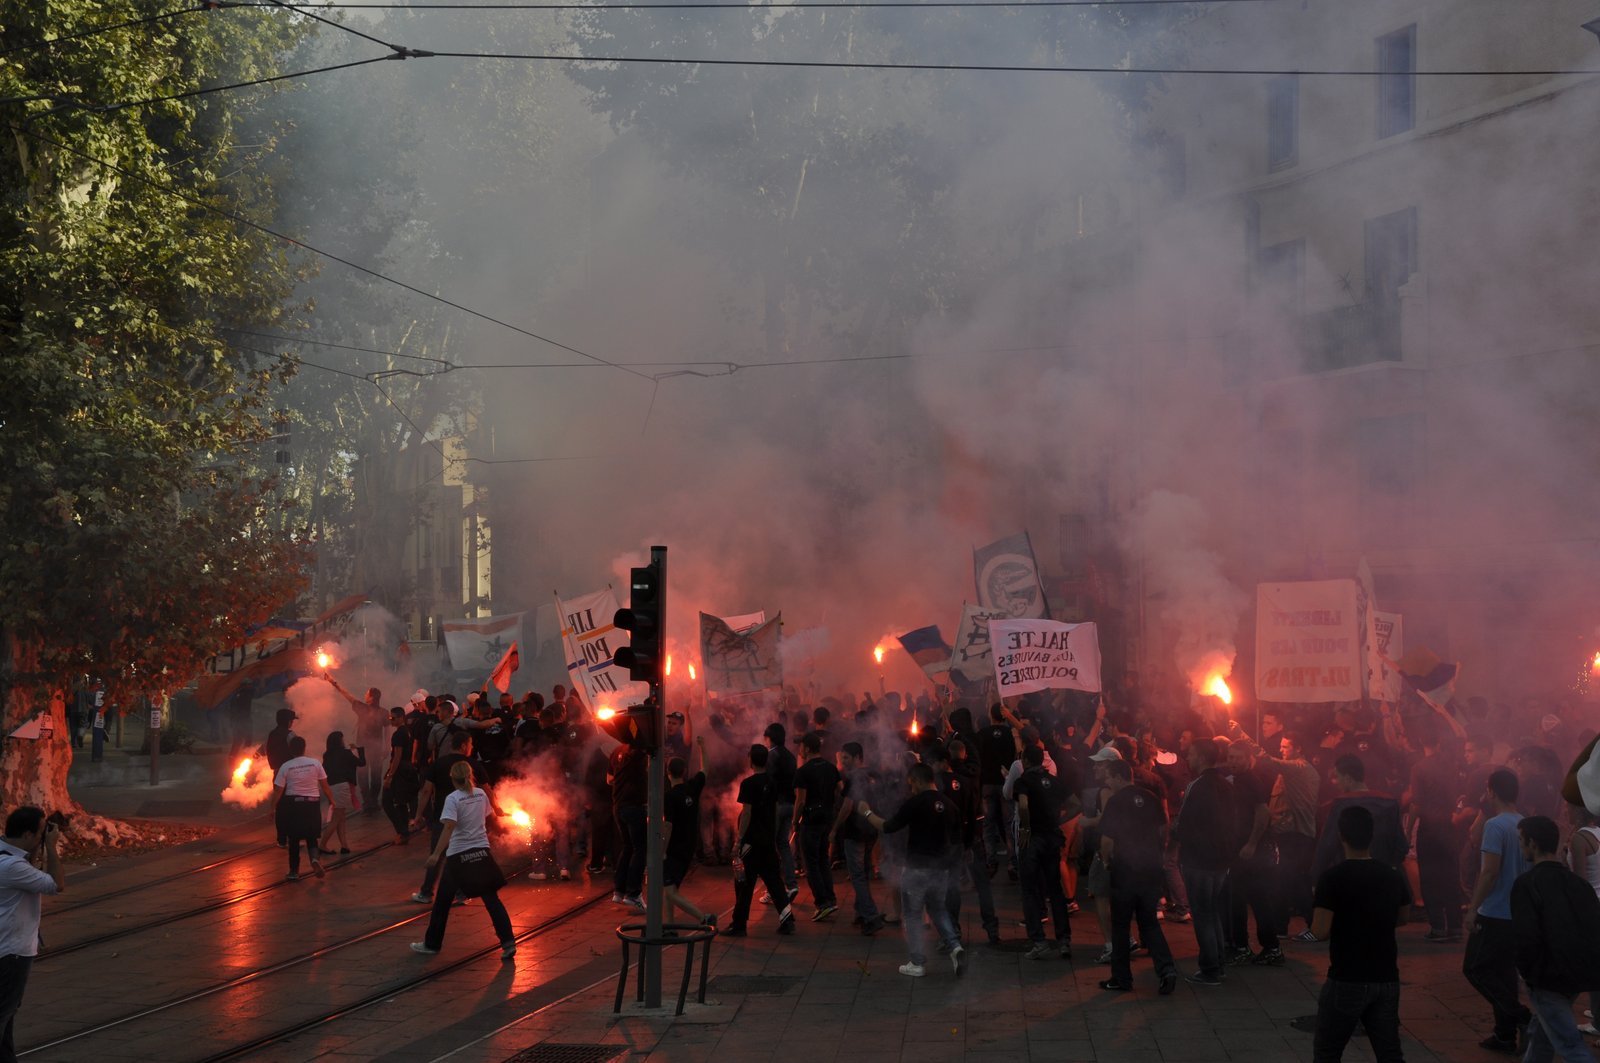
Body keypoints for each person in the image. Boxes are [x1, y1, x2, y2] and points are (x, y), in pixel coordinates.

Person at [1307, 805, 1412, 1063]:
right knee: (1390, 1054)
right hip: (1386, 978)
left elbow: (1319, 931)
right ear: (1371, 835)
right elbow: (1403, 918)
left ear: (1341, 836)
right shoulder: (1392, 876)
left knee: (1327, 1052)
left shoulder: (1332, 878)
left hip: (1347, 977)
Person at [858, 762, 966, 978]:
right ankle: (955, 947)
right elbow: (957, 840)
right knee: (938, 909)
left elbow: (888, 827)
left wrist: (866, 812)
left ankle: (917, 963)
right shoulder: (949, 805)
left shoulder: (915, 803)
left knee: (913, 915)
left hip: (916, 868)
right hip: (940, 868)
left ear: (917, 780)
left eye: (911, 784)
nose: (911, 789)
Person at [1512, 814, 1600, 1063]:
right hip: (1577, 972)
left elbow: (1527, 936)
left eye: (1521, 840)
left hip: (1547, 976)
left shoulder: (1527, 883)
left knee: (1569, 1044)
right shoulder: (1578, 884)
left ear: (1533, 843)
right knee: (1542, 1033)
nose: (1521, 847)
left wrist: (1526, 973)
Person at [410, 760, 518, 962]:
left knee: (442, 902)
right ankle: (508, 942)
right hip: (481, 852)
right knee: (491, 899)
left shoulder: (453, 799)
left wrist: (436, 854)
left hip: (458, 856)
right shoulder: (480, 794)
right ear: (470, 776)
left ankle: (432, 944)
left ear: (453, 778)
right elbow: (487, 817)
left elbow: (449, 827)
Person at [1464, 767, 1532, 1055]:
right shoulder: (1525, 823)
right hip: (1517, 912)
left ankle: (1522, 1016)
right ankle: (1504, 1035)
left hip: (1494, 911)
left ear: (1491, 791)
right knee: (1504, 973)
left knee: (1475, 968)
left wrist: (1473, 908)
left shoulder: (1495, 825)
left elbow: (1490, 872)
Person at [1097, 758, 1178, 995]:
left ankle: (1121, 978)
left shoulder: (1116, 801)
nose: (1107, 782)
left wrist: (1106, 861)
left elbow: (1107, 840)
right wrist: (1158, 852)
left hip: (1125, 871)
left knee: (1121, 925)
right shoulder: (1151, 798)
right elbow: (1164, 828)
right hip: (1150, 869)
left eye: (1109, 777)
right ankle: (1167, 970)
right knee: (1149, 922)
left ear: (1119, 776)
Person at [0, 807, 64, 1063]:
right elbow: (56, 884)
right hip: (12, 953)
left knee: (6, 1019)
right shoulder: (12, 866)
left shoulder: (6, 856)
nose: (42, 837)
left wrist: (36, 846)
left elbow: (31, 872)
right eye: (39, 833)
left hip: (6, 949)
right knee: (3, 1015)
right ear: (28, 834)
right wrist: (51, 847)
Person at [1175, 733, 1236, 985]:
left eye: (1190, 754)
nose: (1187, 758)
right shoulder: (1226, 785)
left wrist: (1176, 838)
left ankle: (1210, 968)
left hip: (1198, 859)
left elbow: (1184, 822)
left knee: (1202, 914)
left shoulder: (1197, 786)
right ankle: (1218, 963)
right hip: (1221, 860)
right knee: (1212, 911)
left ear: (1200, 758)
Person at [1007, 744, 1077, 961]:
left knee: (1029, 889)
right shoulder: (1055, 782)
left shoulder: (1023, 781)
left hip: (1033, 839)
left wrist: (1026, 828)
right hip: (1052, 838)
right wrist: (1057, 821)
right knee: (1055, 889)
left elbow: (1023, 805)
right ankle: (1064, 941)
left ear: (1026, 761)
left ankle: (1038, 941)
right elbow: (1076, 805)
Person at [727, 744, 796, 937]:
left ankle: (739, 925)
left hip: (751, 841)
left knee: (744, 883)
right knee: (774, 881)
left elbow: (747, 813)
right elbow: (773, 810)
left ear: (751, 760)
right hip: (766, 840)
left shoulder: (748, 784)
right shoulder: (772, 783)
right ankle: (787, 919)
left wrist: (739, 839)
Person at [411, 731, 476, 904]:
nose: (472, 747)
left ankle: (426, 892)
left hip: (441, 817)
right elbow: (485, 789)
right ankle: (461, 894)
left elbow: (426, 791)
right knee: (461, 856)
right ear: (464, 745)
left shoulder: (438, 764)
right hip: (465, 820)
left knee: (437, 855)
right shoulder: (471, 764)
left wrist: (418, 815)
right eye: (470, 744)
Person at [833, 742, 886, 935]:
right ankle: (860, 912)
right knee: (863, 872)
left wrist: (834, 829)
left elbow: (847, 807)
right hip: (870, 830)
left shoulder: (854, 777)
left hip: (855, 831)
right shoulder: (873, 774)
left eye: (846, 758)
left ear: (857, 758)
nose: (843, 761)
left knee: (857, 875)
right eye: (842, 757)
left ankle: (871, 916)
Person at [663, 735, 714, 927]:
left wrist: (662, 850)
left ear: (668, 773)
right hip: (689, 845)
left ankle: (703, 918)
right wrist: (702, 746)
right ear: (684, 772)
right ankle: (669, 926)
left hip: (674, 849)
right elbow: (705, 768)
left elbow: (668, 826)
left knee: (669, 891)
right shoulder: (692, 787)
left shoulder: (669, 797)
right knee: (670, 887)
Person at [272, 736, 335, 881]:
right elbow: (325, 785)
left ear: (290, 750)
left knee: (293, 839)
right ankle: (314, 859)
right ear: (304, 748)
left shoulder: (286, 766)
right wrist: (332, 800)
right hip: (312, 803)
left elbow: (278, 791)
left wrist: (272, 808)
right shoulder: (315, 763)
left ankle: (294, 871)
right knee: (311, 836)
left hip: (294, 804)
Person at [793, 731, 841, 921]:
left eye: (801, 746)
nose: (799, 749)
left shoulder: (803, 771)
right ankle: (830, 899)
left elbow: (800, 800)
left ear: (806, 748)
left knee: (811, 864)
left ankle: (822, 903)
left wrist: (795, 821)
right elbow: (840, 790)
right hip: (827, 819)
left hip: (811, 821)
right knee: (823, 860)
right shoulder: (831, 767)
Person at [763, 722, 800, 904]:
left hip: (776, 805)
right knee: (783, 844)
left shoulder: (771, 756)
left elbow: (768, 782)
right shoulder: (790, 756)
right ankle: (791, 885)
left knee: (769, 847)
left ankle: (773, 889)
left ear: (769, 738)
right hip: (790, 804)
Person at [609, 739, 648, 911]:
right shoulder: (641, 753)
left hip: (618, 805)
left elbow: (609, 779)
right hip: (634, 806)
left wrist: (622, 780)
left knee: (627, 847)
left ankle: (619, 890)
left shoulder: (617, 751)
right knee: (640, 848)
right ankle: (633, 894)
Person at [318, 732, 366, 856]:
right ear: (339, 741)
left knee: (341, 817)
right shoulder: (345, 753)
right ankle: (322, 844)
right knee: (336, 817)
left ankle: (344, 845)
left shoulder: (327, 755)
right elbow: (361, 763)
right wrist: (359, 750)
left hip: (331, 787)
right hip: (341, 787)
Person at [382, 706, 419, 844]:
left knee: (387, 801)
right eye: (390, 718)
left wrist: (390, 776)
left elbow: (397, 756)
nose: (391, 720)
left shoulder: (398, 734)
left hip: (399, 772)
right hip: (407, 769)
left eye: (393, 718)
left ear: (401, 718)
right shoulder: (407, 731)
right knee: (401, 802)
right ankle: (403, 833)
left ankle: (402, 831)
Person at [262, 707, 298, 847]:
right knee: (292, 806)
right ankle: (292, 838)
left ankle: (281, 839)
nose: (292, 723)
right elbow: (297, 753)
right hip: (290, 774)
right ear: (288, 722)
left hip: (277, 773)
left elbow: (265, 749)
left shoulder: (272, 734)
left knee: (280, 806)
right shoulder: (290, 735)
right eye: (292, 721)